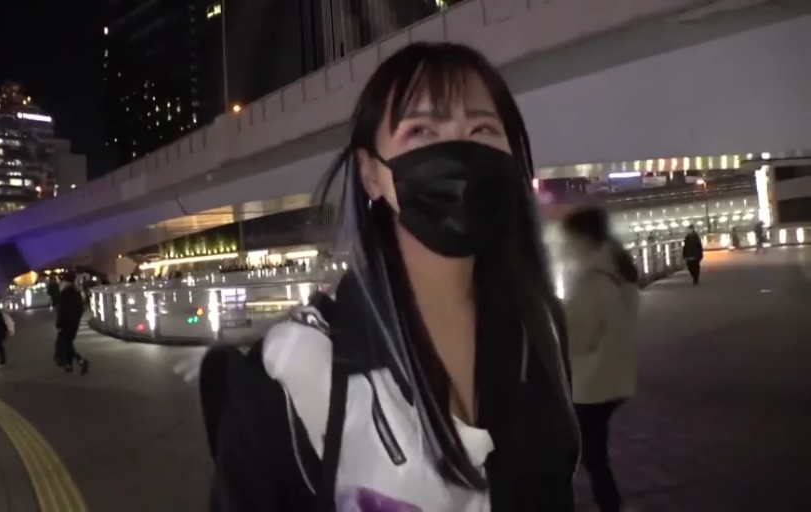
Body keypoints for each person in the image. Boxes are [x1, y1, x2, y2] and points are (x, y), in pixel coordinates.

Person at [199, 42, 579, 511]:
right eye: (420, 131)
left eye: (482, 128)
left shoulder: (539, 331)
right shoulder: (293, 372)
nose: (458, 151)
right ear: (370, 175)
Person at [562, 207, 640, 512]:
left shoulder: (591, 281)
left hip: (591, 383)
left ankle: (609, 505)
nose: (566, 245)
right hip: (613, 379)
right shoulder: (618, 272)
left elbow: (576, 338)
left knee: (586, 456)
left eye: (569, 238)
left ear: (583, 238)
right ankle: (610, 504)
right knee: (594, 455)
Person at [55, 271, 89, 375]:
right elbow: (80, 308)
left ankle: (77, 361)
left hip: (67, 322)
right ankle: (70, 363)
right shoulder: (75, 292)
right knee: (67, 342)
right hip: (73, 322)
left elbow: (62, 310)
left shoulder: (66, 293)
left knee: (63, 342)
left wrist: (59, 322)